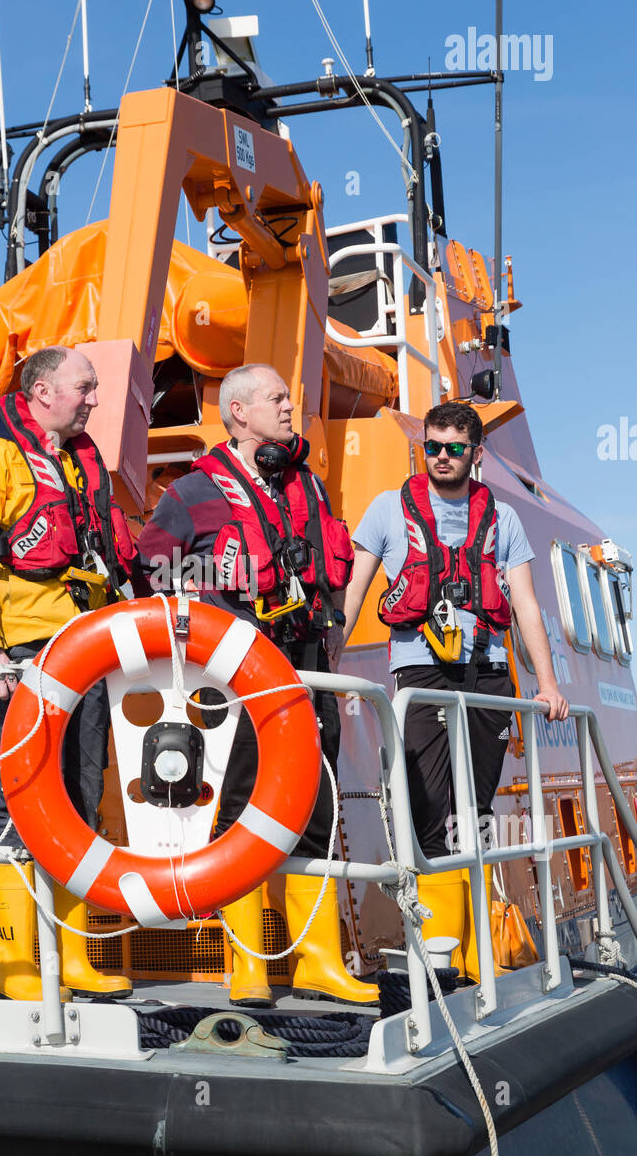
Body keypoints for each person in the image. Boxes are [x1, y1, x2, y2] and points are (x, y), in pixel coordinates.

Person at [136, 362, 379, 1006]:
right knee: (244, 804)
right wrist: (213, 588)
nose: (288, 407)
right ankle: (248, 962)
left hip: (306, 664)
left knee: (315, 805)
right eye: (276, 399)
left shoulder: (310, 485)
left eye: (287, 398)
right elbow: (151, 566)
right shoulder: (195, 491)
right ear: (239, 412)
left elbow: (334, 566)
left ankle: (318, 959)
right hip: (240, 672)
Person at [342, 399, 569, 976]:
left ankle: (469, 949)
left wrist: (546, 684)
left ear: (475, 455)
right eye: (433, 447)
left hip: (488, 674)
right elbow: (353, 591)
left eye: (454, 449)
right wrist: (323, 663)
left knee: (475, 810)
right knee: (427, 807)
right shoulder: (387, 510)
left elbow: (524, 603)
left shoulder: (503, 519)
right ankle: (441, 958)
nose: (442, 458)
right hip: (419, 675)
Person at [0, 346, 138, 1001]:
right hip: (23, 654)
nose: (94, 399)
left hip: (85, 646)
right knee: (22, 803)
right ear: (43, 390)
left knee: (78, 801)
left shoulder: (82, 464)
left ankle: (73, 954)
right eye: (85, 388)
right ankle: (14, 961)